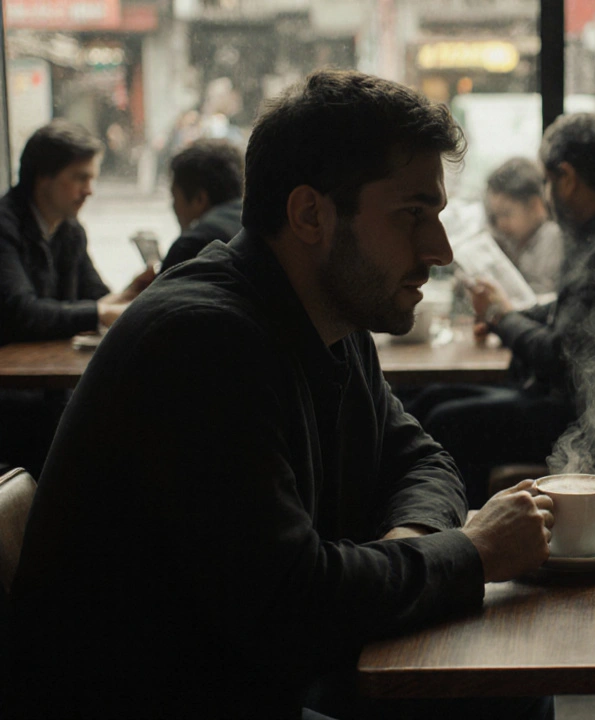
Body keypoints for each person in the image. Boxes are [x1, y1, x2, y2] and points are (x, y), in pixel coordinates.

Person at [7, 70, 554, 720]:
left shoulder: (329, 315)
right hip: (157, 702)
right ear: (309, 214)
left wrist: (407, 549)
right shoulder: (203, 342)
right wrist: (471, 551)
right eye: (413, 214)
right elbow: (293, 607)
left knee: (507, 695)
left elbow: (421, 460)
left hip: (252, 677)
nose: (439, 250)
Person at [413, 114, 595, 507]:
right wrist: (514, 315)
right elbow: (577, 310)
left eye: (548, 182)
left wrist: (500, 316)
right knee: (431, 400)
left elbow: (560, 358)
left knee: (447, 421)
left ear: (567, 178)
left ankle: (477, 537)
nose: (548, 196)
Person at [0, 120, 156, 476]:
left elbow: (96, 296)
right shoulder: (5, 227)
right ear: (43, 177)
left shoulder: (70, 229)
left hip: (49, 389)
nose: (89, 190)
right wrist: (102, 312)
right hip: (13, 396)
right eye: (80, 178)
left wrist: (131, 292)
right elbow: (21, 313)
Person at [160, 137, 245, 272]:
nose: (173, 207)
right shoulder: (257, 228)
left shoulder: (191, 246)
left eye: (175, 197)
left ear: (199, 199)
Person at [484, 156, 564, 295]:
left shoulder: (552, 239)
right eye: (495, 216)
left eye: (506, 214)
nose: (500, 224)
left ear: (535, 206)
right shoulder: (514, 240)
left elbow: (543, 295)